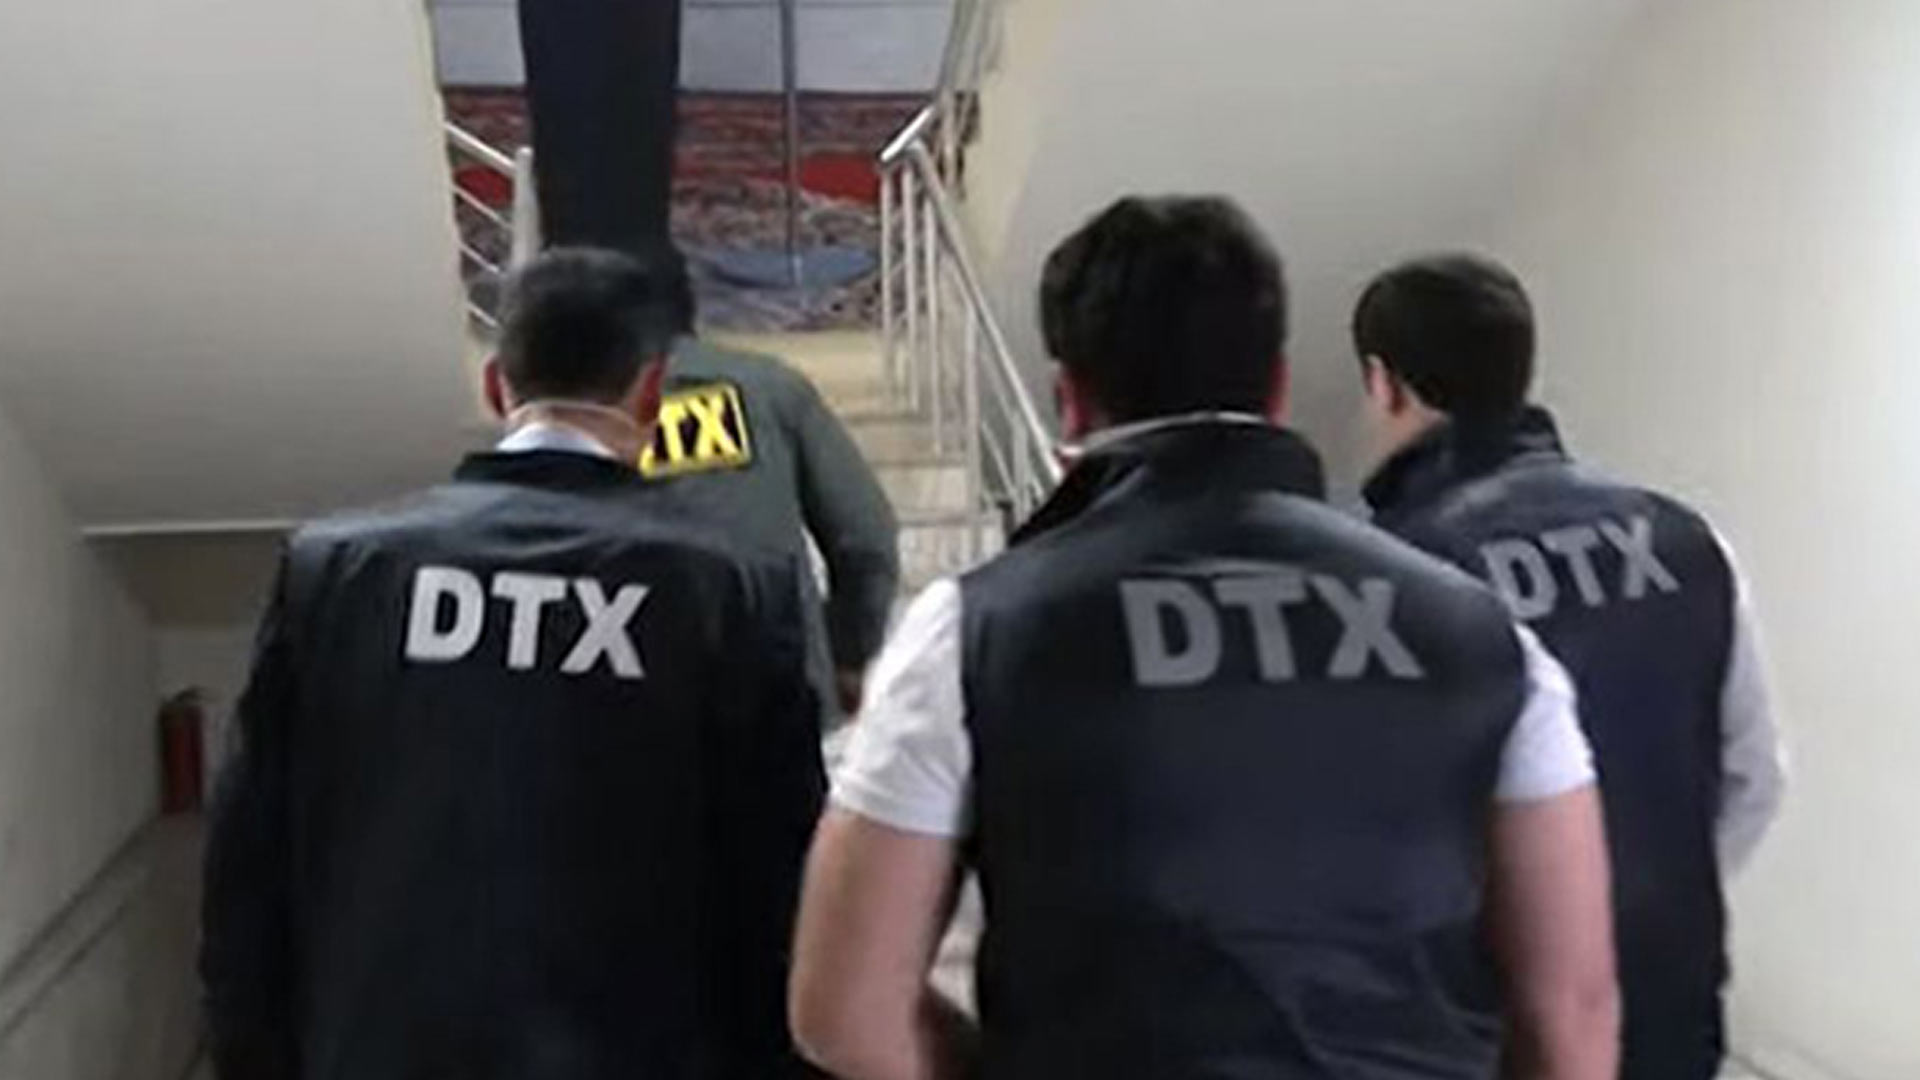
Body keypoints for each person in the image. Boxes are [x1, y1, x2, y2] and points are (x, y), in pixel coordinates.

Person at [789, 197, 1620, 1080]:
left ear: (1069, 400)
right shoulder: (1483, 635)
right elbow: (1572, 1010)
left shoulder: (973, 631)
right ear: (1278, 388)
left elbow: (845, 1014)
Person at [200, 248, 825, 1080]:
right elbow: (779, 881)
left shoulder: (335, 569)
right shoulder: (732, 585)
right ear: (651, 392)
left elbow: (246, 865)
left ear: (496, 386)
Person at [1353, 254, 1788, 1080]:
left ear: (1384, 385)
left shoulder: (1392, 580)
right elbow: (1756, 776)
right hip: (1670, 1004)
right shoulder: (1687, 542)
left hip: (1488, 1029)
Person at [640, 250, 900, 725]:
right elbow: (867, 538)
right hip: (783, 698)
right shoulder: (771, 389)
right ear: (688, 304)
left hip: (635, 713)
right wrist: (847, 652)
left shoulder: (583, 417)